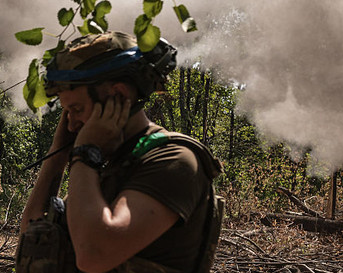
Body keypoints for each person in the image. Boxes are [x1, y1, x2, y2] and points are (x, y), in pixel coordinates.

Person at [19, 32, 221, 273]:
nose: (71, 125)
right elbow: (32, 239)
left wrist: (84, 153)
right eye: (66, 113)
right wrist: (57, 156)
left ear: (119, 95)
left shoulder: (174, 160)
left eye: (77, 109)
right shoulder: (109, 168)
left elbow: (94, 255)